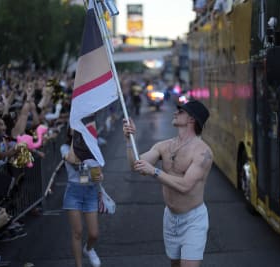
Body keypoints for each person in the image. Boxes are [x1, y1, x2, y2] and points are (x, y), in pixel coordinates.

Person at [122, 100, 213, 267]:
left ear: (192, 119)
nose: (175, 112)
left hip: (193, 219)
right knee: (175, 264)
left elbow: (185, 186)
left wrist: (155, 171)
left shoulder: (203, 152)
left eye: (180, 111)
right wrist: (129, 140)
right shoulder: (164, 146)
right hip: (170, 218)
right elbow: (135, 165)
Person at [61, 128, 102, 267]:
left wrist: (100, 177)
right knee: (77, 232)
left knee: (94, 234)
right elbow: (72, 159)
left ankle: (89, 249)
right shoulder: (65, 147)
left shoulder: (93, 148)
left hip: (90, 191)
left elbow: (98, 172)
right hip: (73, 191)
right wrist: (76, 140)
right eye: (73, 128)